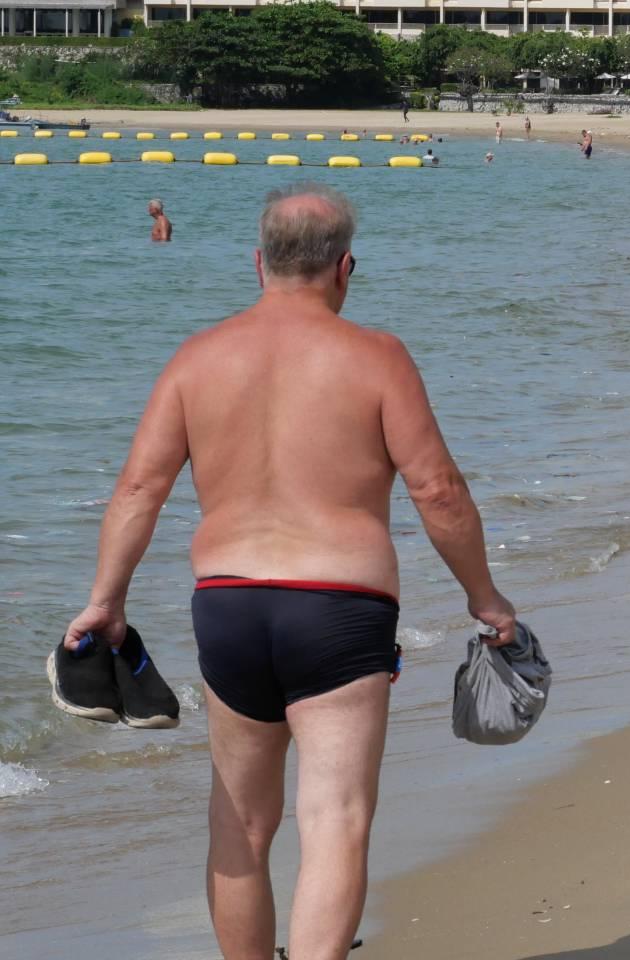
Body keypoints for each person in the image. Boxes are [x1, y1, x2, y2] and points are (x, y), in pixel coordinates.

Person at [60, 182, 517, 960]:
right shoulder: (377, 358)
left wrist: (106, 600)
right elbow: (438, 489)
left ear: (258, 263)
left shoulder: (197, 359)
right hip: (340, 608)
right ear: (345, 268)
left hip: (228, 607)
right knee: (334, 817)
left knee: (240, 821)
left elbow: (138, 489)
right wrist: (486, 598)